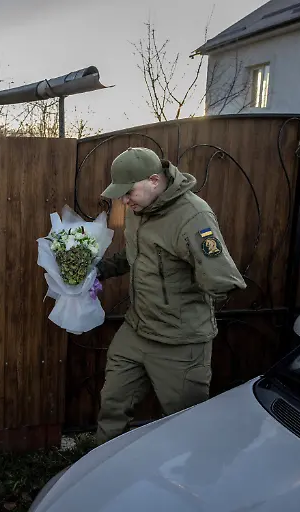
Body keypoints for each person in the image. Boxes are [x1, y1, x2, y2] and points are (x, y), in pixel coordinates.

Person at [94, 147, 246, 445]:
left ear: (153, 180)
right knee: (112, 405)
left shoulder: (194, 216)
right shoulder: (140, 210)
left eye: (128, 192)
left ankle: (187, 481)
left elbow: (222, 280)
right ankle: (100, 468)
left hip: (180, 344)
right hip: (136, 331)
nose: (124, 201)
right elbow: (139, 254)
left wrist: (185, 308)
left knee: (186, 425)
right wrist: (103, 269)